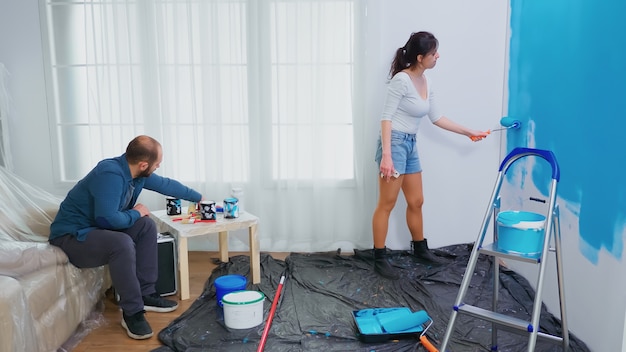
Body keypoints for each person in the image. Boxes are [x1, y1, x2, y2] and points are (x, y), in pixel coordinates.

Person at [49, 135, 204, 340]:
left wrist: (199, 198)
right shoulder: (110, 174)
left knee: (146, 225)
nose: (158, 167)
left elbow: (166, 185)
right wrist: (136, 212)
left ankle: (146, 293)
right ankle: (132, 312)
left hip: (95, 230)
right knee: (122, 242)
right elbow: (106, 220)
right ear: (143, 164)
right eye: (157, 163)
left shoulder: (136, 173)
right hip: (72, 237)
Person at [372, 31, 487, 279]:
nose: (438, 56)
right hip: (395, 144)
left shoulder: (427, 82)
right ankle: (379, 257)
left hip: (410, 144)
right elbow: (386, 117)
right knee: (387, 204)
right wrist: (387, 156)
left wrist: (468, 132)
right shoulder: (401, 81)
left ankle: (420, 249)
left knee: (417, 201)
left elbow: (436, 118)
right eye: (434, 53)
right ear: (421, 57)